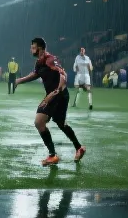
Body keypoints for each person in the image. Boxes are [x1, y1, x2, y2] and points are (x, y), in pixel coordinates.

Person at [15, 37, 86, 166]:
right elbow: (35, 74)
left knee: (39, 121)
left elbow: (63, 75)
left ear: (40, 48)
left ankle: (53, 156)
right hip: (54, 95)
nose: (31, 49)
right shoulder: (39, 62)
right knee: (60, 123)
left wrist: (55, 92)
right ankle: (79, 148)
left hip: (59, 94)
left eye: (33, 47)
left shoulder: (50, 59)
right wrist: (20, 80)